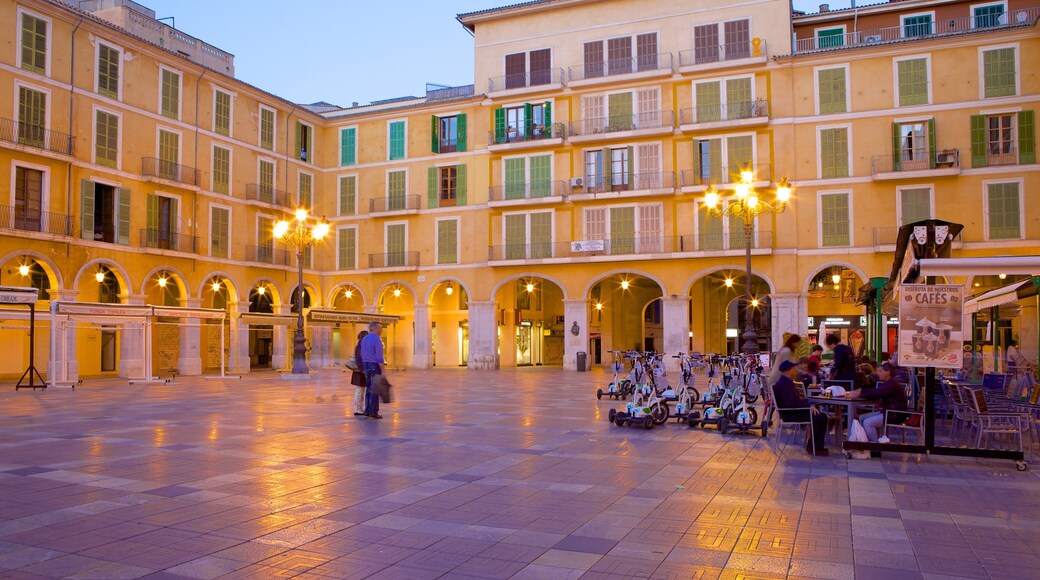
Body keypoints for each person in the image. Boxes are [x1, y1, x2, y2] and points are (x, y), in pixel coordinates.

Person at [772, 359, 829, 456]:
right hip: (791, 414)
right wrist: (808, 406)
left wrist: (809, 406)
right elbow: (790, 403)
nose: (795, 370)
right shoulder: (784, 384)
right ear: (788, 370)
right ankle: (815, 447)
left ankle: (814, 446)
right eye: (793, 368)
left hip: (793, 412)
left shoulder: (786, 382)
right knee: (820, 418)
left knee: (821, 416)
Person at [847, 361, 907, 443]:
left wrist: (860, 393)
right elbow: (876, 391)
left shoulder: (892, 384)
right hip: (888, 411)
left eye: (880, 371)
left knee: (868, 423)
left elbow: (878, 393)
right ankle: (864, 441)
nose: (878, 373)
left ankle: (874, 445)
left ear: (888, 372)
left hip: (894, 414)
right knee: (861, 418)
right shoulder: (890, 383)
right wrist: (860, 392)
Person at [359, 321, 386, 419]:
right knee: (375, 389)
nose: (381, 330)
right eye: (379, 328)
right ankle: (373, 412)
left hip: (366, 365)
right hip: (374, 365)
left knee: (368, 388)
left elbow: (362, 353)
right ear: (374, 328)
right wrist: (383, 370)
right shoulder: (377, 339)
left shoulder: (364, 339)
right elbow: (379, 357)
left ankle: (367, 410)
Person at [350, 330, 368, 417]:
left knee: (360, 390)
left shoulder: (359, 345)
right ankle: (358, 409)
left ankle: (359, 408)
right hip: (360, 372)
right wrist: (363, 370)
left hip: (359, 371)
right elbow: (359, 359)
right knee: (359, 391)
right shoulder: (361, 346)